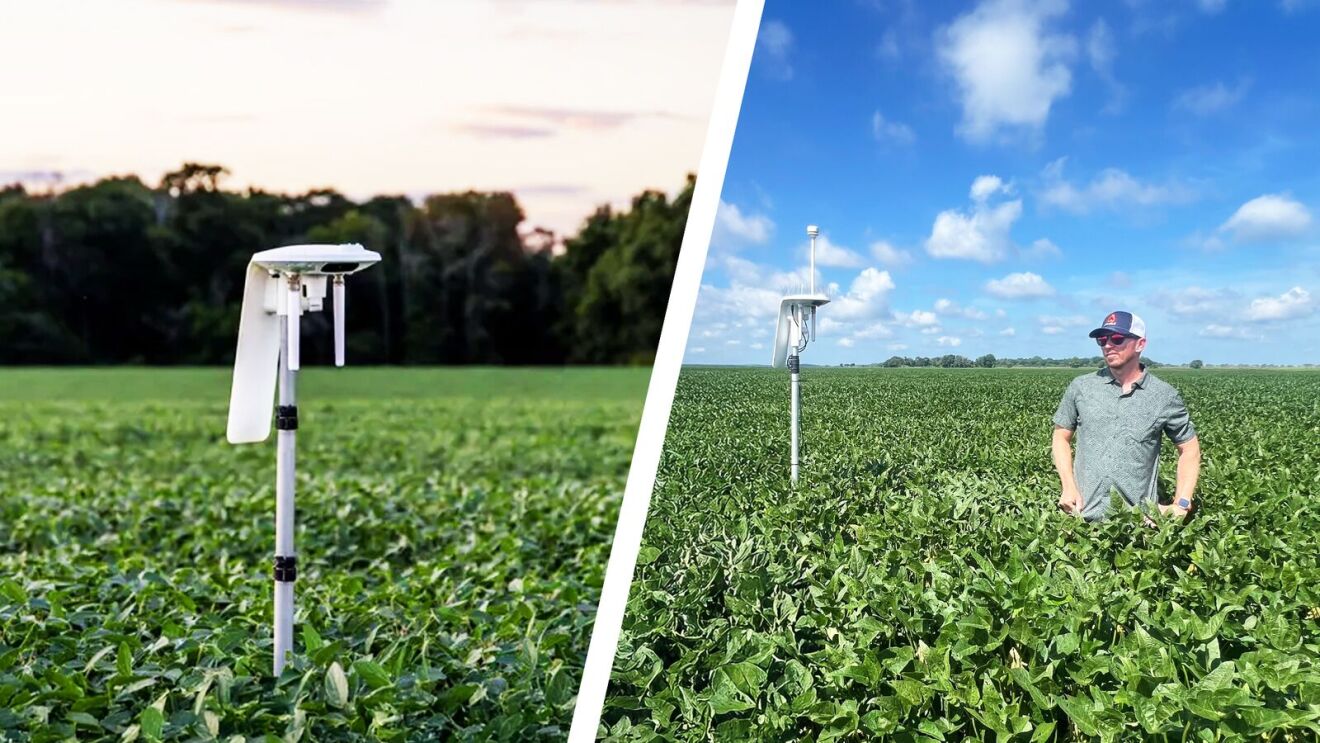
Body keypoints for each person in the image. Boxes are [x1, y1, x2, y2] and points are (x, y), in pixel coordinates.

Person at [1051, 311, 1201, 522]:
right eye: (1102, 340)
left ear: (1140, 344)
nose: (1108, 345)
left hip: (1139, 526)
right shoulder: (1081, 387)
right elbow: (1060, 436)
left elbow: (1189, 448)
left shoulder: (1164, 396)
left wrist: (1182, 504)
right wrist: (1068, 486)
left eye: (1118, 339)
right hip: (1081, 520)